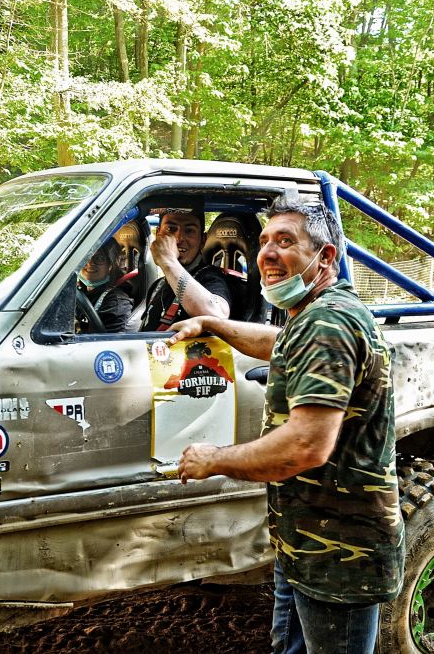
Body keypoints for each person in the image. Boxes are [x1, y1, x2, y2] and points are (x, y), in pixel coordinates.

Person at [167, 195, 404, 654]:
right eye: (263, 242)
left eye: (285, 241)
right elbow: (281, 342)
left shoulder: (328, 322)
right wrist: (214, 325)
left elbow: (305, 445)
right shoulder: (313, 316)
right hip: (304, 542)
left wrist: (214, 459)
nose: (267, 254)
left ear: (325, 257)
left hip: (338, 553)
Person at [140, 203, 232, 331]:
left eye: (189, 231)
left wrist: (169, 261)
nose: (179, 239)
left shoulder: (210, 278)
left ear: (203, 240)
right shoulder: (157, 285)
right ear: (158, 234)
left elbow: (218, 316)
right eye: (170, 229)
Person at [77, 238, 133, 334]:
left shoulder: (116, 304)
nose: (90, 263)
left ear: (111, 264)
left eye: (99, 258)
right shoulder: (78, 291)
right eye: (85, 257)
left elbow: (107, 341)